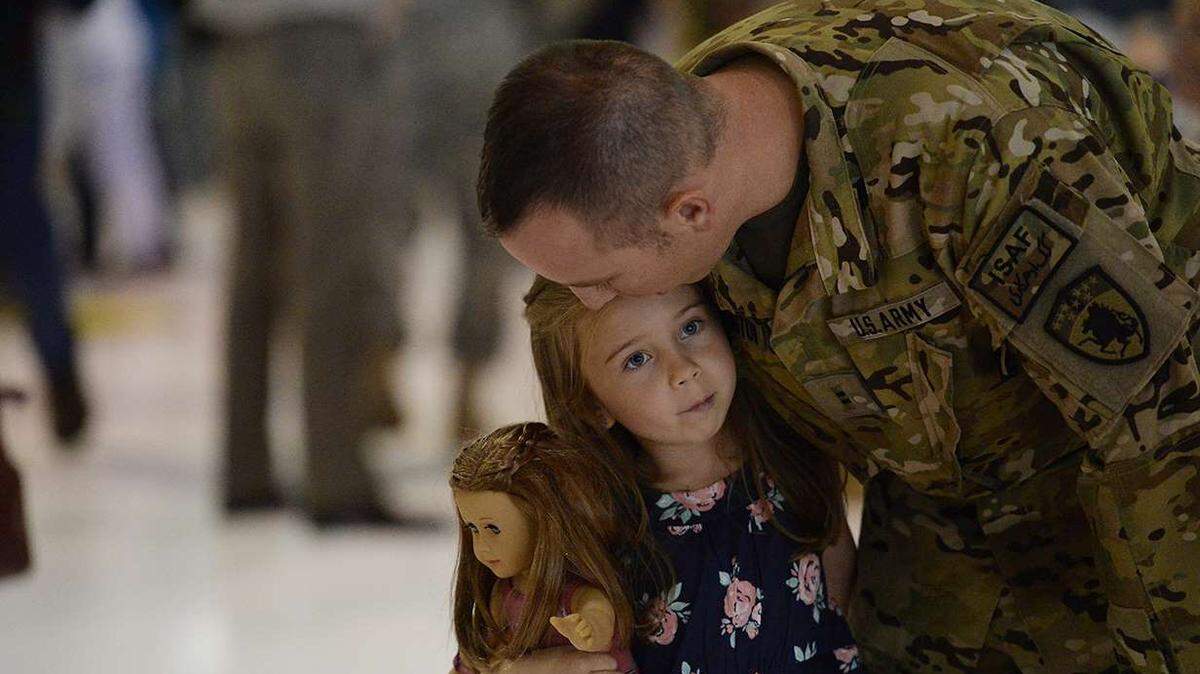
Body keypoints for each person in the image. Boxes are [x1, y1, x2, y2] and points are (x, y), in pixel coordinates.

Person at [477, 1, 1200, 671]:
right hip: (940, 515)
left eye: (596, 280)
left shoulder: (980, 151)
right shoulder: (644, 153)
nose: (583, 298)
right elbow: (604, 402)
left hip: (1141, 499)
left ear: (691, 212)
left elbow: (1162, 432)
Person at [523, 278, 860, 672]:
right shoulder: (591, 524)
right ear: (591, 406)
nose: (683, 369)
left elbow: (842, 614)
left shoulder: (795, 460)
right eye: (637, 359)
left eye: (690, 327)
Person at [193, 0, 409, 525]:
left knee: (252, 269)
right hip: (320, 40)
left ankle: (245, 469)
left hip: (233, 46)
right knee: (333, 264)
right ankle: (336, 478)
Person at [449, 422, 646, 674]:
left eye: (493, 529)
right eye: (473, 529)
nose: (482, 548)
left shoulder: (572, 593)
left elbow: (599, 615)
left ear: (544, 521)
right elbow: (491, 651)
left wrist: (589, 629)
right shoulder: (503, 594)